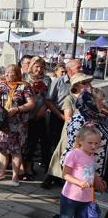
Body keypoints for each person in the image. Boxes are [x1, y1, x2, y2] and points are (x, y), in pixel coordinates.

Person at [36, 125, 107, 218]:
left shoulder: (92, 156)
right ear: (80, 141)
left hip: (86, 199)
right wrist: (79, 183)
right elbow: (65, 175)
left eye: (97, 143)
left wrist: (99, 182)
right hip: (71, 196)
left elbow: (91, 173)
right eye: (90, 143)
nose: (94, 146)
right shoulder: (74, 154)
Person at [0, 64, 36, 187]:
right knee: (3, 148)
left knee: (16, 150)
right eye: (6, 72)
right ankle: (1, 173)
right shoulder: (1, 85)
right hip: (3, 122)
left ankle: (15, 176)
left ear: (17, 74)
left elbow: (31, 104)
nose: (7, 74)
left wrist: (17, 109)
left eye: (10, 72)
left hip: (18, 124)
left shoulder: (24, 86)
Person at [43, 59, 82, 188]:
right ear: (70, 69)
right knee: (54, 146)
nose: (81, 69)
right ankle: (49, 176)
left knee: (68, 147)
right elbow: (48, 100)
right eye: (78, 67)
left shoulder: (81, 83)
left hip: (73, 118)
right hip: (57, 115)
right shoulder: (58, 81)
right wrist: (60, 115)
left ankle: (62, 175)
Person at [46, 74, 92, 183]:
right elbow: (68, 118)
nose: (88, 85)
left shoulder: (89, 98)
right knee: (67, 153)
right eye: (84, 83)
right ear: (76, 86)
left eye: (88, 82)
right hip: (72, 132)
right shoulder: (70, 98)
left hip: (86, 132)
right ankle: (58, 177)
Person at [22, 57, 51, 181]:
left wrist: (44, 108)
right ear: (32, 66)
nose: (39, 69)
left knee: (37, 142)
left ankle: (35, 166)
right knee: (26, 142)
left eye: (42, 67)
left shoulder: (47, 79)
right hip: (25, 114)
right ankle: (26, 167)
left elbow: (49, 97)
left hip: (40, 114)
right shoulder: (25, 78)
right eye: (37, 66)